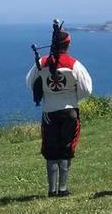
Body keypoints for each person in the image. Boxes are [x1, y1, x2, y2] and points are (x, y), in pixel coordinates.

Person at [26, 22, 92, 198]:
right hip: (70, 111)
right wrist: (73, 98)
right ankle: (62, 189)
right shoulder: (74, 64)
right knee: (66, 148)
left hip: (49, 112)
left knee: (51, 151)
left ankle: (51, 189)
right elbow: (87, 88)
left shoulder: (41, 63)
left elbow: (29, 82)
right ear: (67, 45)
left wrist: (46, 93)